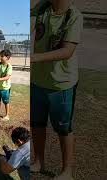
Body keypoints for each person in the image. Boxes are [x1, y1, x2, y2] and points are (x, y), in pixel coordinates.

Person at [31, 0, 83, 179]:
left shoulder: (73, 16)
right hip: (37, 81)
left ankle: (67, 170)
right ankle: (38, 161)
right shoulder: (42, 8)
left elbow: (67, 51)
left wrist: (34, 58)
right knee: (37, 124)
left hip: (61, 85)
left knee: (63, 128)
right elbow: (31, 27)